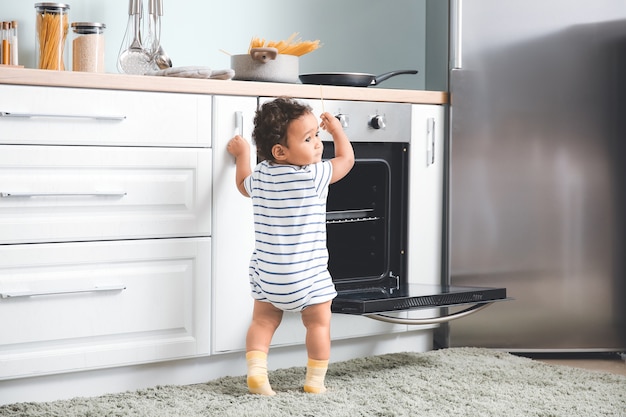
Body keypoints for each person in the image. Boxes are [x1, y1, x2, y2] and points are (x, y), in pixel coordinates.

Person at [226, 97, 354, 395]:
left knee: (262, 321)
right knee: (319, 325)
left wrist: (242, 153)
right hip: (308, 279)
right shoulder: (314, 175)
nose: (318, 144)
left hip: (268, 277)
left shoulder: (261, 177)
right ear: (280, 151)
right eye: (308, 139)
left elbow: (242, 182)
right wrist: (336, 131)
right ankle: (314, 381)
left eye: (318, 136)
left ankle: (257, 373)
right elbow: (347, 161)